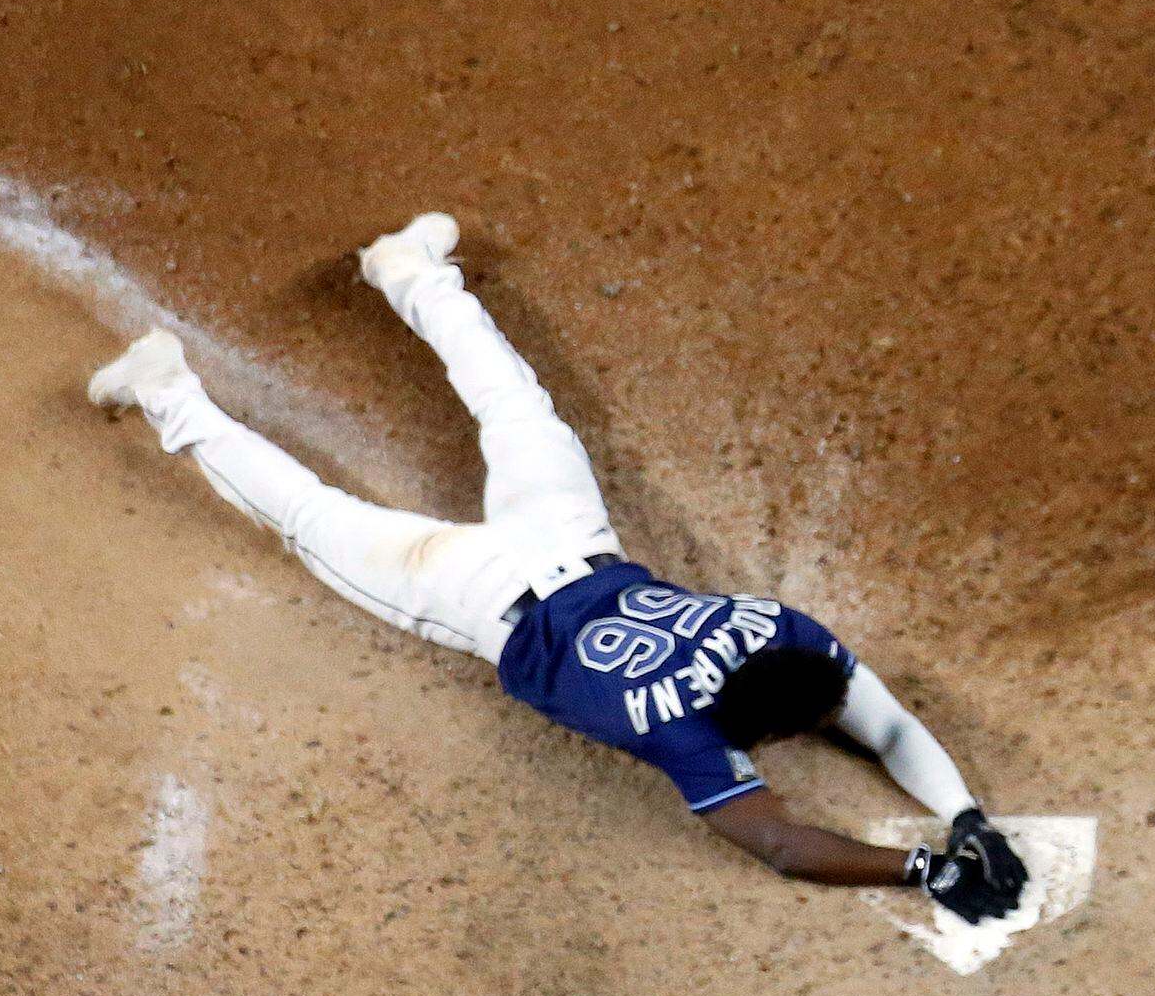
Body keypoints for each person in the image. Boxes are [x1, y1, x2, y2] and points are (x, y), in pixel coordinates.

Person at [86, 213, 1028, 923]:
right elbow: (783, 842)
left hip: (572, 536)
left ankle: (412, 272)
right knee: (313, 518)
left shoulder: (778, 624)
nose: (836, 718)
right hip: (465, 586)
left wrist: (963, 826)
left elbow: (882, 719)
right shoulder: (687, 735)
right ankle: (167, 389)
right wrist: (938, 857)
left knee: (518, 411)